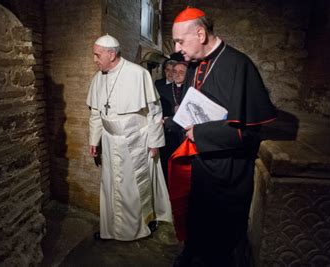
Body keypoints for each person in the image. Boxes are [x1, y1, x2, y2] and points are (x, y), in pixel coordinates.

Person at [170, 7, 277, 266]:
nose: (176, 48)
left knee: (219, 240)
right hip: (199, 163)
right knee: (195, 215)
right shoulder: (195, 66)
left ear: (200, 33)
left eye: (180, 41)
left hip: (226, 171)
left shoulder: (239, 65)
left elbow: (249, 132)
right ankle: (190, 251)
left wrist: (200, 132)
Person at [86, 34, 172, 241]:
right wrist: (93, 140)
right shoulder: (98, 78)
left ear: (111, 54)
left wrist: (154, 142)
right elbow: (96, 114)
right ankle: (111, 229)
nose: (95, 60)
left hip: (135, 141)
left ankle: (138, 228)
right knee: (111, 188)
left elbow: (154, 111)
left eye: (98, 55)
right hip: (109, 140)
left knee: (132, 188)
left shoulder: (138, 74)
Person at [156, 61, 188, 179]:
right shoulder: (162, 90)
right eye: (175, 71)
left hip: (185, 135)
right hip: (169, 134)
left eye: (181, 72)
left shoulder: (191, 89)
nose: (177, 74)